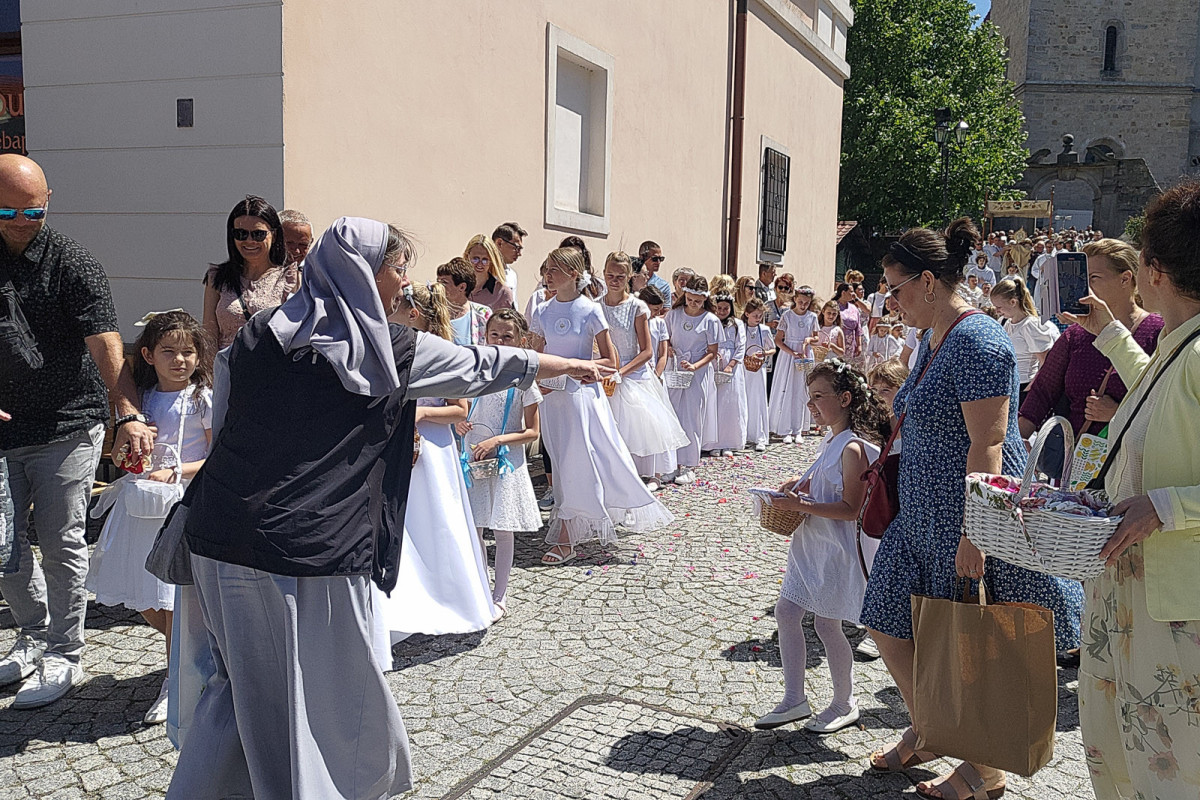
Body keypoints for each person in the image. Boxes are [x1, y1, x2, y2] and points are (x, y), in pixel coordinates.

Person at [167, 217, 605, 799]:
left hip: (220, 537)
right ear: (365, 273)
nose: (403, 282)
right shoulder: (382, 346)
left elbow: (224, 435)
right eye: (398, 268)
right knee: (324, 693)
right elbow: (479, 366)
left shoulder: (251, 338)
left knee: (240, 687)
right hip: (309, 551)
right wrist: (569, 366)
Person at [860, 219, 1083, 800]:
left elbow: (988, 441)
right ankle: (932, 729)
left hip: (967, 517)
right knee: (884, 617)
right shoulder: (931, 337)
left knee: (974, 643)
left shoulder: (979, 339)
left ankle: (983, 767)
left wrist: (976, 533)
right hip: (922, 513)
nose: (891, 299)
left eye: (895, 286)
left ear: (928, 282)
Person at [1058, 179, 1200, 800]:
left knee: (1168, 764)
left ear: (1155, 270)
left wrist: (1165, 507)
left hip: (1172, 603)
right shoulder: (1180, 343)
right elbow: (1157, 396)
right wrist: (1112, 333)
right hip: (1132, 588)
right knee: (1121, 750)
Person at [0, 154, 153, 709]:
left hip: (67, 422)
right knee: (4, 542)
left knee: (61, 538)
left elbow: (106, 343)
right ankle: (31, 633)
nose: (22, 220)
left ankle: (64, 650)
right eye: (8, 209)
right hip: (5, 431)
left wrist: (127, 412)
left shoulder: (72, 262)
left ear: (49, 201)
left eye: (33, 209)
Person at [86, 310, 213, 726]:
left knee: (173, 598)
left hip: (179, 502)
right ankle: (189, 653)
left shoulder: (202, 398)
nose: (180, 360)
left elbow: (215, 454)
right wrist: (133, 457)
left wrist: (177, 470)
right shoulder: (141, 400)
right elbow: (125, 453)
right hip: (140, 505)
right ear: (148, 354)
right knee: (139, 593)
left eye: (188, 352)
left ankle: (175, 683)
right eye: (169, 352)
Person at [754, 360, 891, 733]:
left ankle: (844, 702)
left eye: (819, 396)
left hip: (833, 550)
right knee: (786, 614)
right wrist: (799, 485)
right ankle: (794, 698)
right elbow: (824, 482)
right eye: (809, 397)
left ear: (845, 398)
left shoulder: (853, 448)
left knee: (827, 625)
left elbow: (850, 509)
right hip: (810, 548)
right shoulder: (832, 440)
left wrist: (799, 504)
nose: (811, 404)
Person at [531, 246, 672, 565]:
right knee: (560, 459)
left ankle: (567, 535)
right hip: (553, 399)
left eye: (553, 269)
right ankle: (572, 521)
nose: (547, 274)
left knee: (576, 461)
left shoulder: (590, 310)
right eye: (547, 269)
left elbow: (610, 359)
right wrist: (539, 381)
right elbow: (537, 355)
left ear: (570, 274)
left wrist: (582, 370)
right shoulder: (542, 310)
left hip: (582, 398)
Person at [372, 282, 495, 647]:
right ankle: (404, 603)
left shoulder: (444, 354)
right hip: (399, 442)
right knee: (403, 525)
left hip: (433, 443)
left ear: (412, 313)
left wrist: (419, 412)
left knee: (437, 522)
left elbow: (459, 409)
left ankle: (449, 597)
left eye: (395, 307)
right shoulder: (393, 350)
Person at [1020, 239, 1163, 474]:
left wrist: (1117, 413)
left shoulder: (1158, 332)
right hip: (1075, 467)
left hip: (1131, 469)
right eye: (1082, 279)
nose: (1084, 287)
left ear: (1125, 279)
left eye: (1094, 278)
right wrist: (1009, 446)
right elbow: (1042, 393)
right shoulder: (1075, 334)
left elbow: (1165, 403)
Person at [457, 310, 544, 615]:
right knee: (477, 526)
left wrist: (498, 440)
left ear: (520, 340)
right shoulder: (477, 373)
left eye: (507, 336)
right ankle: (480, 586)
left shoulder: (524, 382)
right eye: (495, 335)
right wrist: (460, 423)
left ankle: (500, 593)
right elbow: (462, 408)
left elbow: (532, 431)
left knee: (502, 528)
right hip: (475, 456)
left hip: (506, 460)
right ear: (485, 336)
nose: (500, 341)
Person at [599, 252, 687, 489]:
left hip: (632, 374)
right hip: (603, 375)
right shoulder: (596, 305)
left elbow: (647, 351)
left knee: (635, 432)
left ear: (628, 276)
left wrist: (621, 372)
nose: (614, 280)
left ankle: (643, 479)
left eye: (619, 276)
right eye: (609, 275)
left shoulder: (637, 307)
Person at [202, 195, 299, 349]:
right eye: (241, 234)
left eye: (258, 234)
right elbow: (209, 338)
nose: (249, 241)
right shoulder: (217, 277)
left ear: (273, 235)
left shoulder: (291, 278)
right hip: (226, 369)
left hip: (270, 369)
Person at [665, 276, 722, 485]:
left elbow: (712, 352)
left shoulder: (711, 320)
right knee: (672, 413)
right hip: (676, 368)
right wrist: (670, 350)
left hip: (698, 372)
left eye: (698, 301)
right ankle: (670, 463)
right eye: (690, 299)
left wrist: (695, 366)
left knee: (692, 417)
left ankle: (689, 464)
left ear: (705, 299)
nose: (693, 304)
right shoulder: (674, 315)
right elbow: (666, 340)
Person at [991, 277, 1059, 402]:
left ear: (1013, 302)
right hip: (1007, 386)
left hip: (1024, 386)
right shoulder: (1004, 322)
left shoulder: (1030, 325)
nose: (997, 311)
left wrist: (1031, 389)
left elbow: (1046, 362)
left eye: (999, 307)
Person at [768, 285, 819, 443]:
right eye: (801, 301)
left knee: (802, 389)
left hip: (804, 354)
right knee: (787, 389)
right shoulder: (787, 316)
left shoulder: (812, 317)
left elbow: (816, 337)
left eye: (806, 302)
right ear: (795, 299)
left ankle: (799, 428)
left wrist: (809, 340)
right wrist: (791, 352)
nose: (803, 305)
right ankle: (785, 429)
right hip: (789, 356)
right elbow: (778, 340)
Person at [712, 294, 748, 457]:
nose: (722, 311)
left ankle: (728, 441)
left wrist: (731, 365)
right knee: (715, 403)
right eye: (719, 308)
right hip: (714, 361)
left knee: (730, 404)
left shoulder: (737, 324)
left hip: (731, 366)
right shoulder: (712, 322)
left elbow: (741, 346)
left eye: (725, 308)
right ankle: (713, 441)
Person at [742, 298, 775, 452]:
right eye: (755, 315)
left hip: (758, 368)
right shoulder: (741, 328)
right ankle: (744, 434)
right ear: (747, 314)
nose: (758, 318)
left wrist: (762, 353)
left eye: (760, 316)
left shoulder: (764, 330)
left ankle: (759, 435)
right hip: (743, 367)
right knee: (744, 399)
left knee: (758, 399)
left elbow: (772, 348)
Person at [436, 256, 493, 346]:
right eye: (437, 281)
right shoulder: (433, 312)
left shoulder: (483, 314)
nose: (438, 286)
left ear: (462, 287)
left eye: (444, 283)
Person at [464, 234, 514, 311]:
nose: (479, 264)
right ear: (467, 257)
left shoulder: (502, 293)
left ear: (492, 261)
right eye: (475, 259)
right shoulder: (456, 287)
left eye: (485, 260)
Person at [492, 221, 526, 303]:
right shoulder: (481, 269)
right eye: (516, 248)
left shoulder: (512, 275)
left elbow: (513, 307)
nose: (519, 254)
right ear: (499, 243)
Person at [834, 283, 866, 365]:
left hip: (850, 344)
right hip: (836, 342)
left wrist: (859, 345)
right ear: (843, 293)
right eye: (851, 291)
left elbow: (858, 328)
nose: (853, 294)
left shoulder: (854, 308)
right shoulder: (834, 306)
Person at [638, 240, 672, 306]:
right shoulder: (629, 281)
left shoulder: (663, 285)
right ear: (642, 257)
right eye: (655, 259)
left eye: (661, 259)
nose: (658, 262)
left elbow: (666, 312)